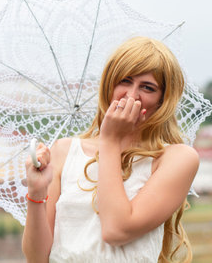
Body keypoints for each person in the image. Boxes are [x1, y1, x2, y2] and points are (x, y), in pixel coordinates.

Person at [22, 36, 199, 263]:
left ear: (162, 101)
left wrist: (109, 141)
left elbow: (116, 230)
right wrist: (36, 193)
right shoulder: (65, 151)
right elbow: (36, 258)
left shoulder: (175, 159)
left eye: (147, 87)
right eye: (124, 81)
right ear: (109, 84)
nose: (131, 95)